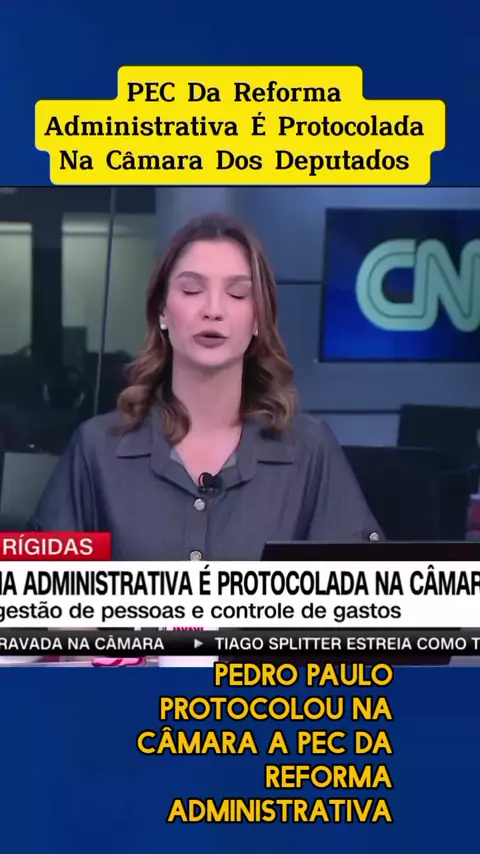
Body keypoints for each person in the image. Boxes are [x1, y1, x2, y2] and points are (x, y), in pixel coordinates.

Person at [30, 212, 383, 558]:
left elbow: (363, 587)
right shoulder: (97, 449)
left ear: (258, 318)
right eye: (192, 289)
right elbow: (39, 583)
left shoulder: (309, 450)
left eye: (237, 294)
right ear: (162, 311)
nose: (213, 310)